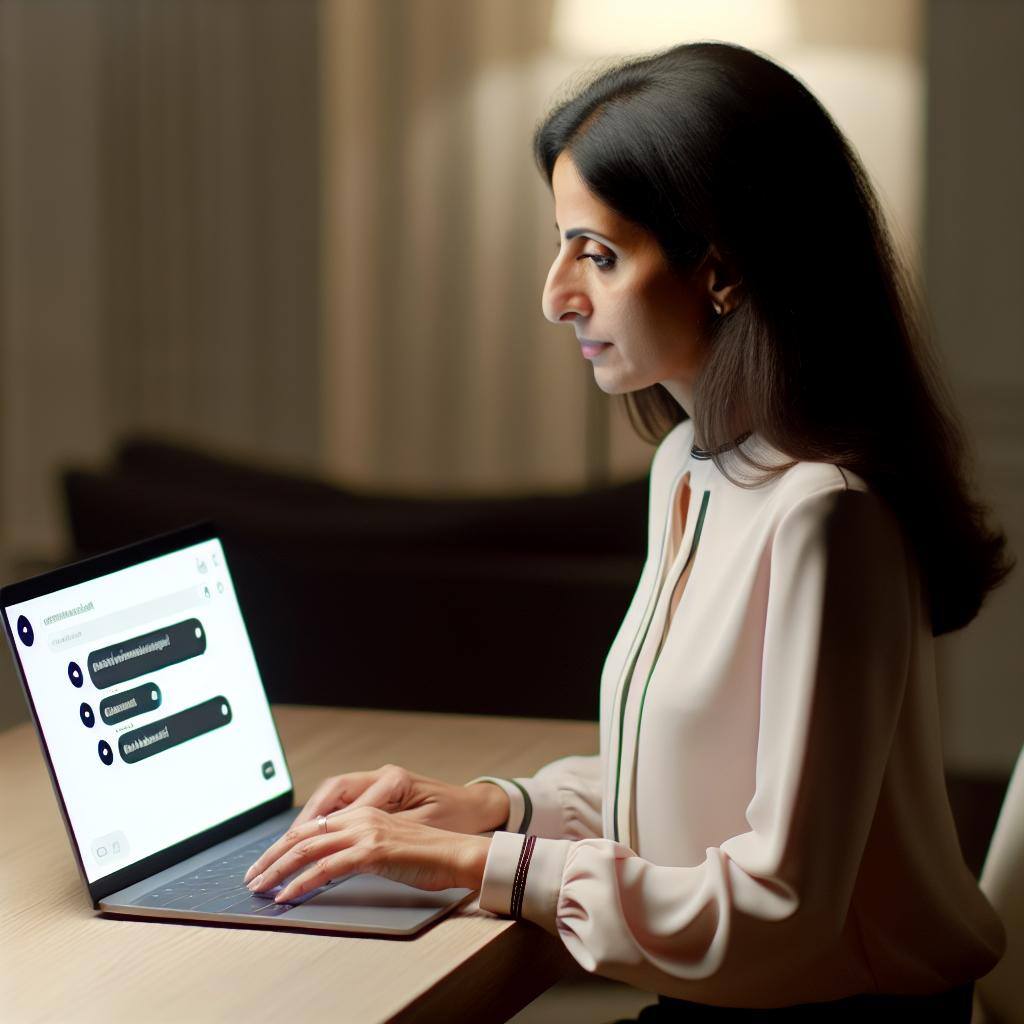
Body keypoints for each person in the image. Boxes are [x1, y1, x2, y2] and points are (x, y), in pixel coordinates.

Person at [243, 42, 1012, 1020]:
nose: (556, 294)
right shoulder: (690, 466)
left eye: (596, 254)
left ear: (721, 270)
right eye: (563, 246)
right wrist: (498, 806)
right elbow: (693, 795)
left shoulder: (829, 519)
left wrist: (489, 864)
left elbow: (776, 908)